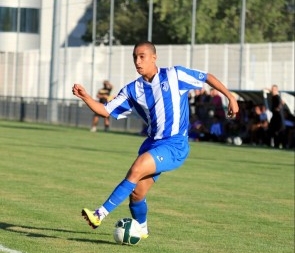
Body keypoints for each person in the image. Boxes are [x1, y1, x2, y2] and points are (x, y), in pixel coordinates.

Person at [72, 41, 239, 238]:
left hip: (175, 144)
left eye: (142, 56)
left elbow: (207, 77)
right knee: (136, 195)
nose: (137, 61)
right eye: (135, 57)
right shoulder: (132, 90)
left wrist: (231, 97)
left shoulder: (175, 75)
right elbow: (105, 110)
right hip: (152, 144)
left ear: (154, 57)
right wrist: (86, 97)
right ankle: (142, 229)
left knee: (136, 168)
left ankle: (99, 214)